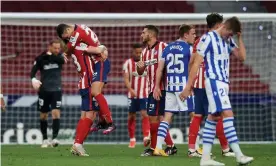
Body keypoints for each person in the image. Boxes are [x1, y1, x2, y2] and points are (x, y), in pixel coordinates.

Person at [181, 16, 254, 166]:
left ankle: (205, 159)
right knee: (227, 114)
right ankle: (239, 155)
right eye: (230, 33)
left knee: (213, 118)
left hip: (224, 83)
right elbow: (195, 64)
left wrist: (239, 38)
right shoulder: (207, 38)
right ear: (225, 27)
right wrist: (188, 87)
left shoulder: (228, 40)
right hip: (214, 82)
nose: (230, 36)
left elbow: (242, 57)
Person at [188, 12, 235, 158]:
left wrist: (190, 83)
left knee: (198, 115)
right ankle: (226, 149)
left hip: (198, 82)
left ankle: (191, 149)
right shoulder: (218, 38)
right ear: (217, 24)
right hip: (210, 82)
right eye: (221, 23)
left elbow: (192, 62)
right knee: (218, 115)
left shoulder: (199, 40)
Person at [56, 24, 116, 134]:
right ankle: (102, 121)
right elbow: (97, 46)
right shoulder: (81, 29)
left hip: (100, 62)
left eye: (67, 37)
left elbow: (70, 47)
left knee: (95, 92)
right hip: (97, 61)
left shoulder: (77, 36)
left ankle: (110, 122)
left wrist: (64, 54)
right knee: (95, 95)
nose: (68, 39)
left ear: (68, 30)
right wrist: (101, 48)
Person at [153, 24, 196, 156]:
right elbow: (191, 68)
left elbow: (160, 69)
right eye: (193, 34)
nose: (195, 36)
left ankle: (158, 148)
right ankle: (193, 149)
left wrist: (156, 86)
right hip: (183, 86)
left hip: (170, 86)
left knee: (167, 117)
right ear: (185, 35)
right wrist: (190, 86)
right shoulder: (189, 48)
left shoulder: (167, 48)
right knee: (195, 115)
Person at [137, 25, 177, 156]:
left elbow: (171, 67)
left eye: (143, 33)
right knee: (156, 118)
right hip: (151, 89)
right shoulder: (144, 52)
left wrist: (158, 86)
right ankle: (169, 146)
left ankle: (155, 148)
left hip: (162, 89)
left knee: (155, 118)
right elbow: (140, 71)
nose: (141, 35)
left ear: (151, 35)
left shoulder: (164, 47)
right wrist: (140, 68)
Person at [69, 41, 103, 156]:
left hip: (83, 83)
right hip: (88, 83)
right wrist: (102, 47)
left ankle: (77, 144)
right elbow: (100, 50)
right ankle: (78, 144)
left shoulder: (74, 49)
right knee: (90, 115)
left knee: (85, 116)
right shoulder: (81, 46)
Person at [30, 39, 64, 148]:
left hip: (56, 90)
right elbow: (33, 71)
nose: (57, 50)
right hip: (44, 90)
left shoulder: (60, 57)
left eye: (59, 48)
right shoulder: (40, 58)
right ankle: (44, 139)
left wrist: (49, 55)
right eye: (55, 48)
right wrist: (33, 79)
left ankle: (54, 138)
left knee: (56, 113)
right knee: (44, 115)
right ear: (49, 47)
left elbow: (60, 60)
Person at [123, 43, 150, 148]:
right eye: (137, 52)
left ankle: (146, 137)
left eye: (140, 52)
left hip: (145, 94)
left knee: (145, 114)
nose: (139, 54)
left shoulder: (146, 63)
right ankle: (132, 139)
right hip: (132, 94)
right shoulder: (128, 63)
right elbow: (126, 78)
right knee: (131, 115)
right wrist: (130, 89)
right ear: (132, 52)